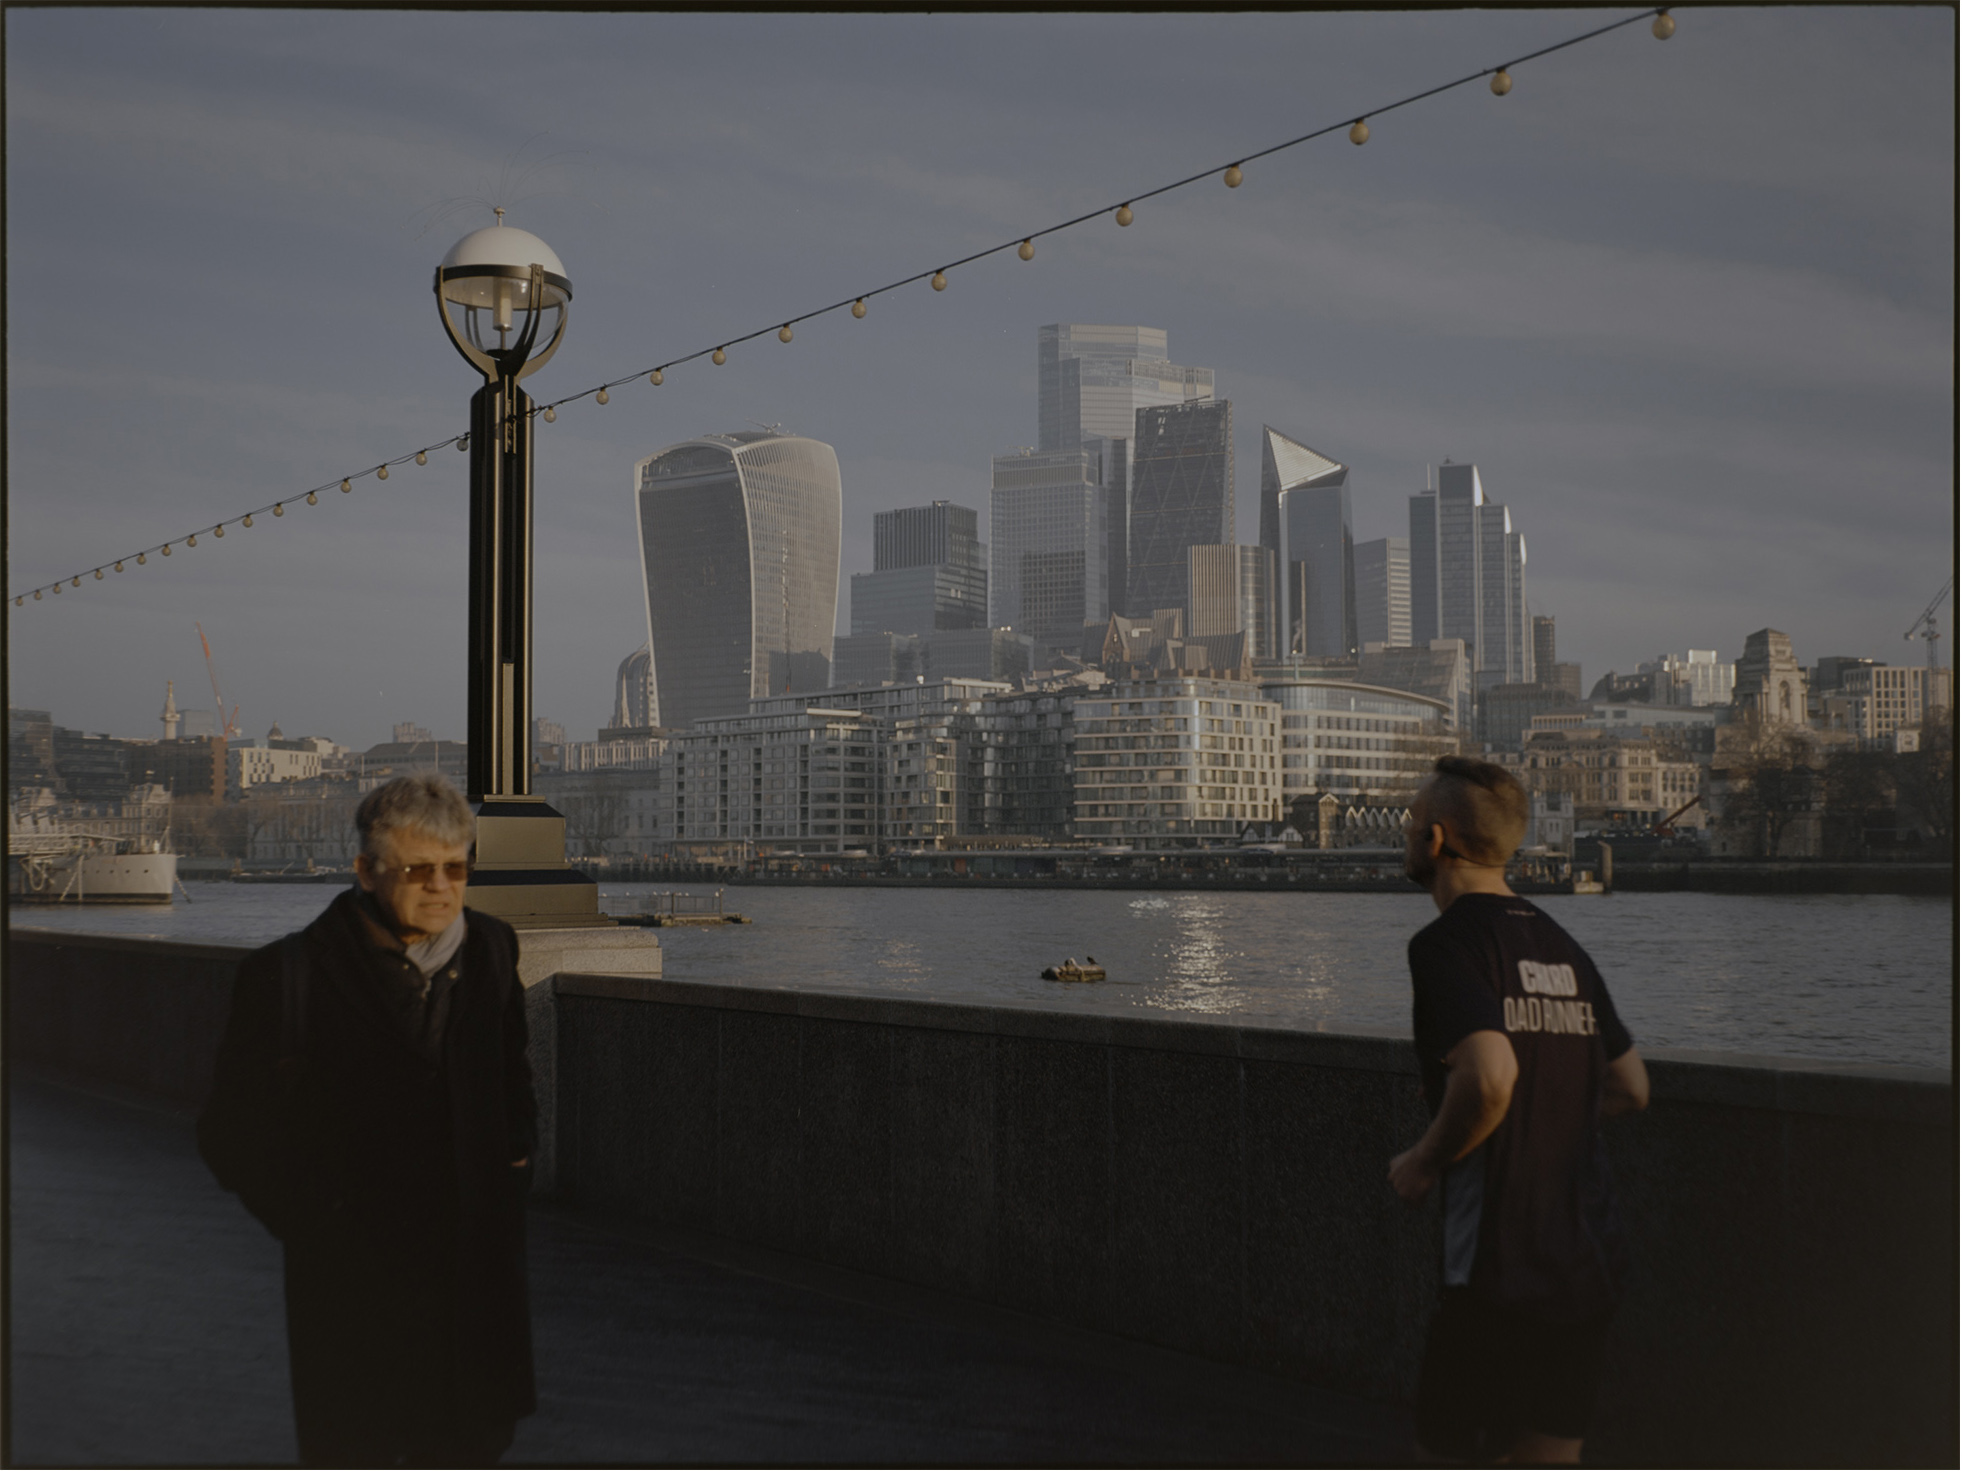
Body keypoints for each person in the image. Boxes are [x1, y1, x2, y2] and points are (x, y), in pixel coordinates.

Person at [198, 774, 537, 1466]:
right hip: (355, 1298)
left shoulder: (495, 950)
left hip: (474, 1292)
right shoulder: (286, 974)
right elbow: (229, 1130)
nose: (441, 886)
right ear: (365, 869)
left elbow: (512, 1077)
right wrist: (319, 1221)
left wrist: (512, 1167)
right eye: (418, 868)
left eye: (456, 867)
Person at [1388, 756, 1649, 1466]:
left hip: (1497, 1269)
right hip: (1585, 1262)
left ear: (1436, 840)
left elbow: (1492, 1074)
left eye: (1411, 823)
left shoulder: (1446, 944)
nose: (1406, 834)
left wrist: (1422, 1160)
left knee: (1447, 1452)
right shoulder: (1563, 944)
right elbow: (1631, 1086)